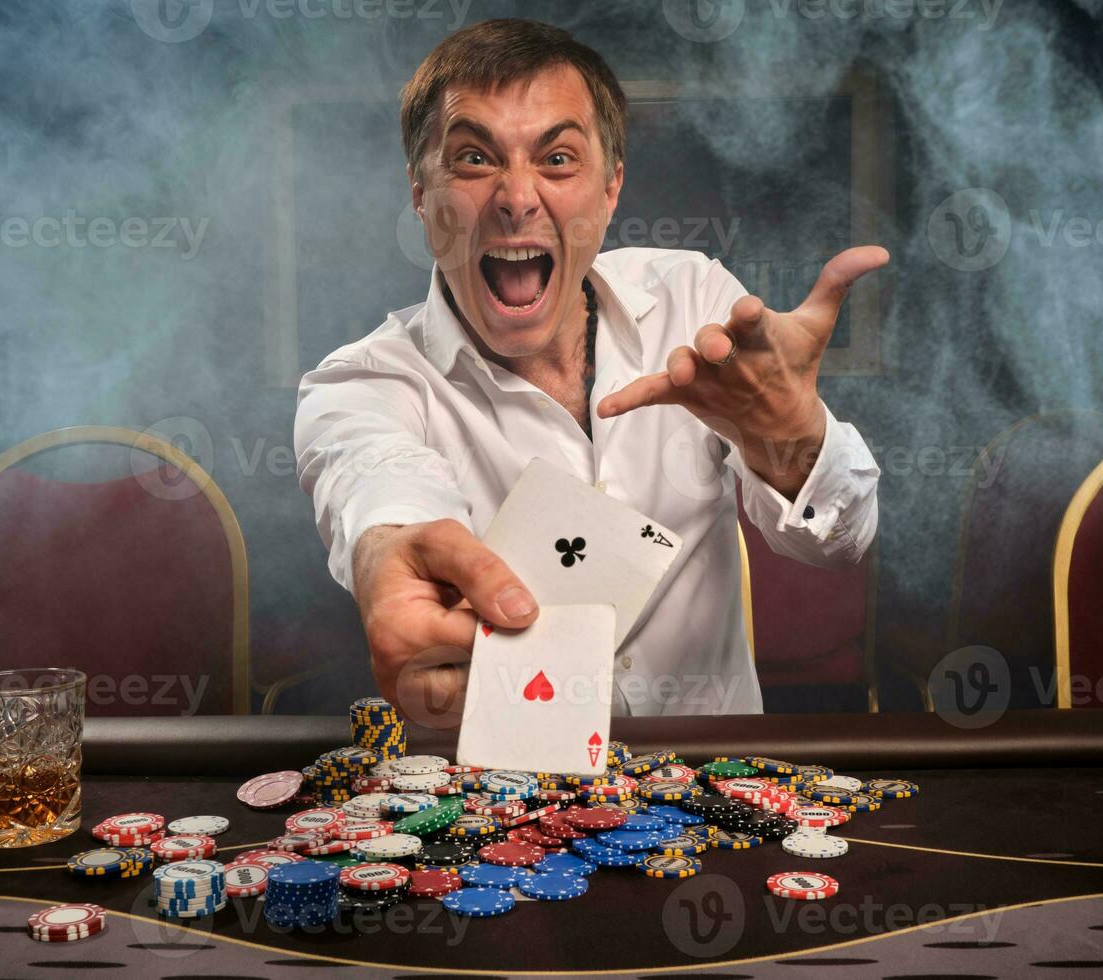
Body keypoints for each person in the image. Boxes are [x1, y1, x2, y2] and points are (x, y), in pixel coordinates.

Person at [295, 18, 882, 721]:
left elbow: (841, 542)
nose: (517, 198)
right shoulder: (362, 385)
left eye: (559, 160)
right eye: (475, 160)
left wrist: (790, 439)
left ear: (610, 189)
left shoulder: (693, 303)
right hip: (501, 809)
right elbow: (376, 482)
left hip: (709, 780)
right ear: (421, 193)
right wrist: (388, 557)